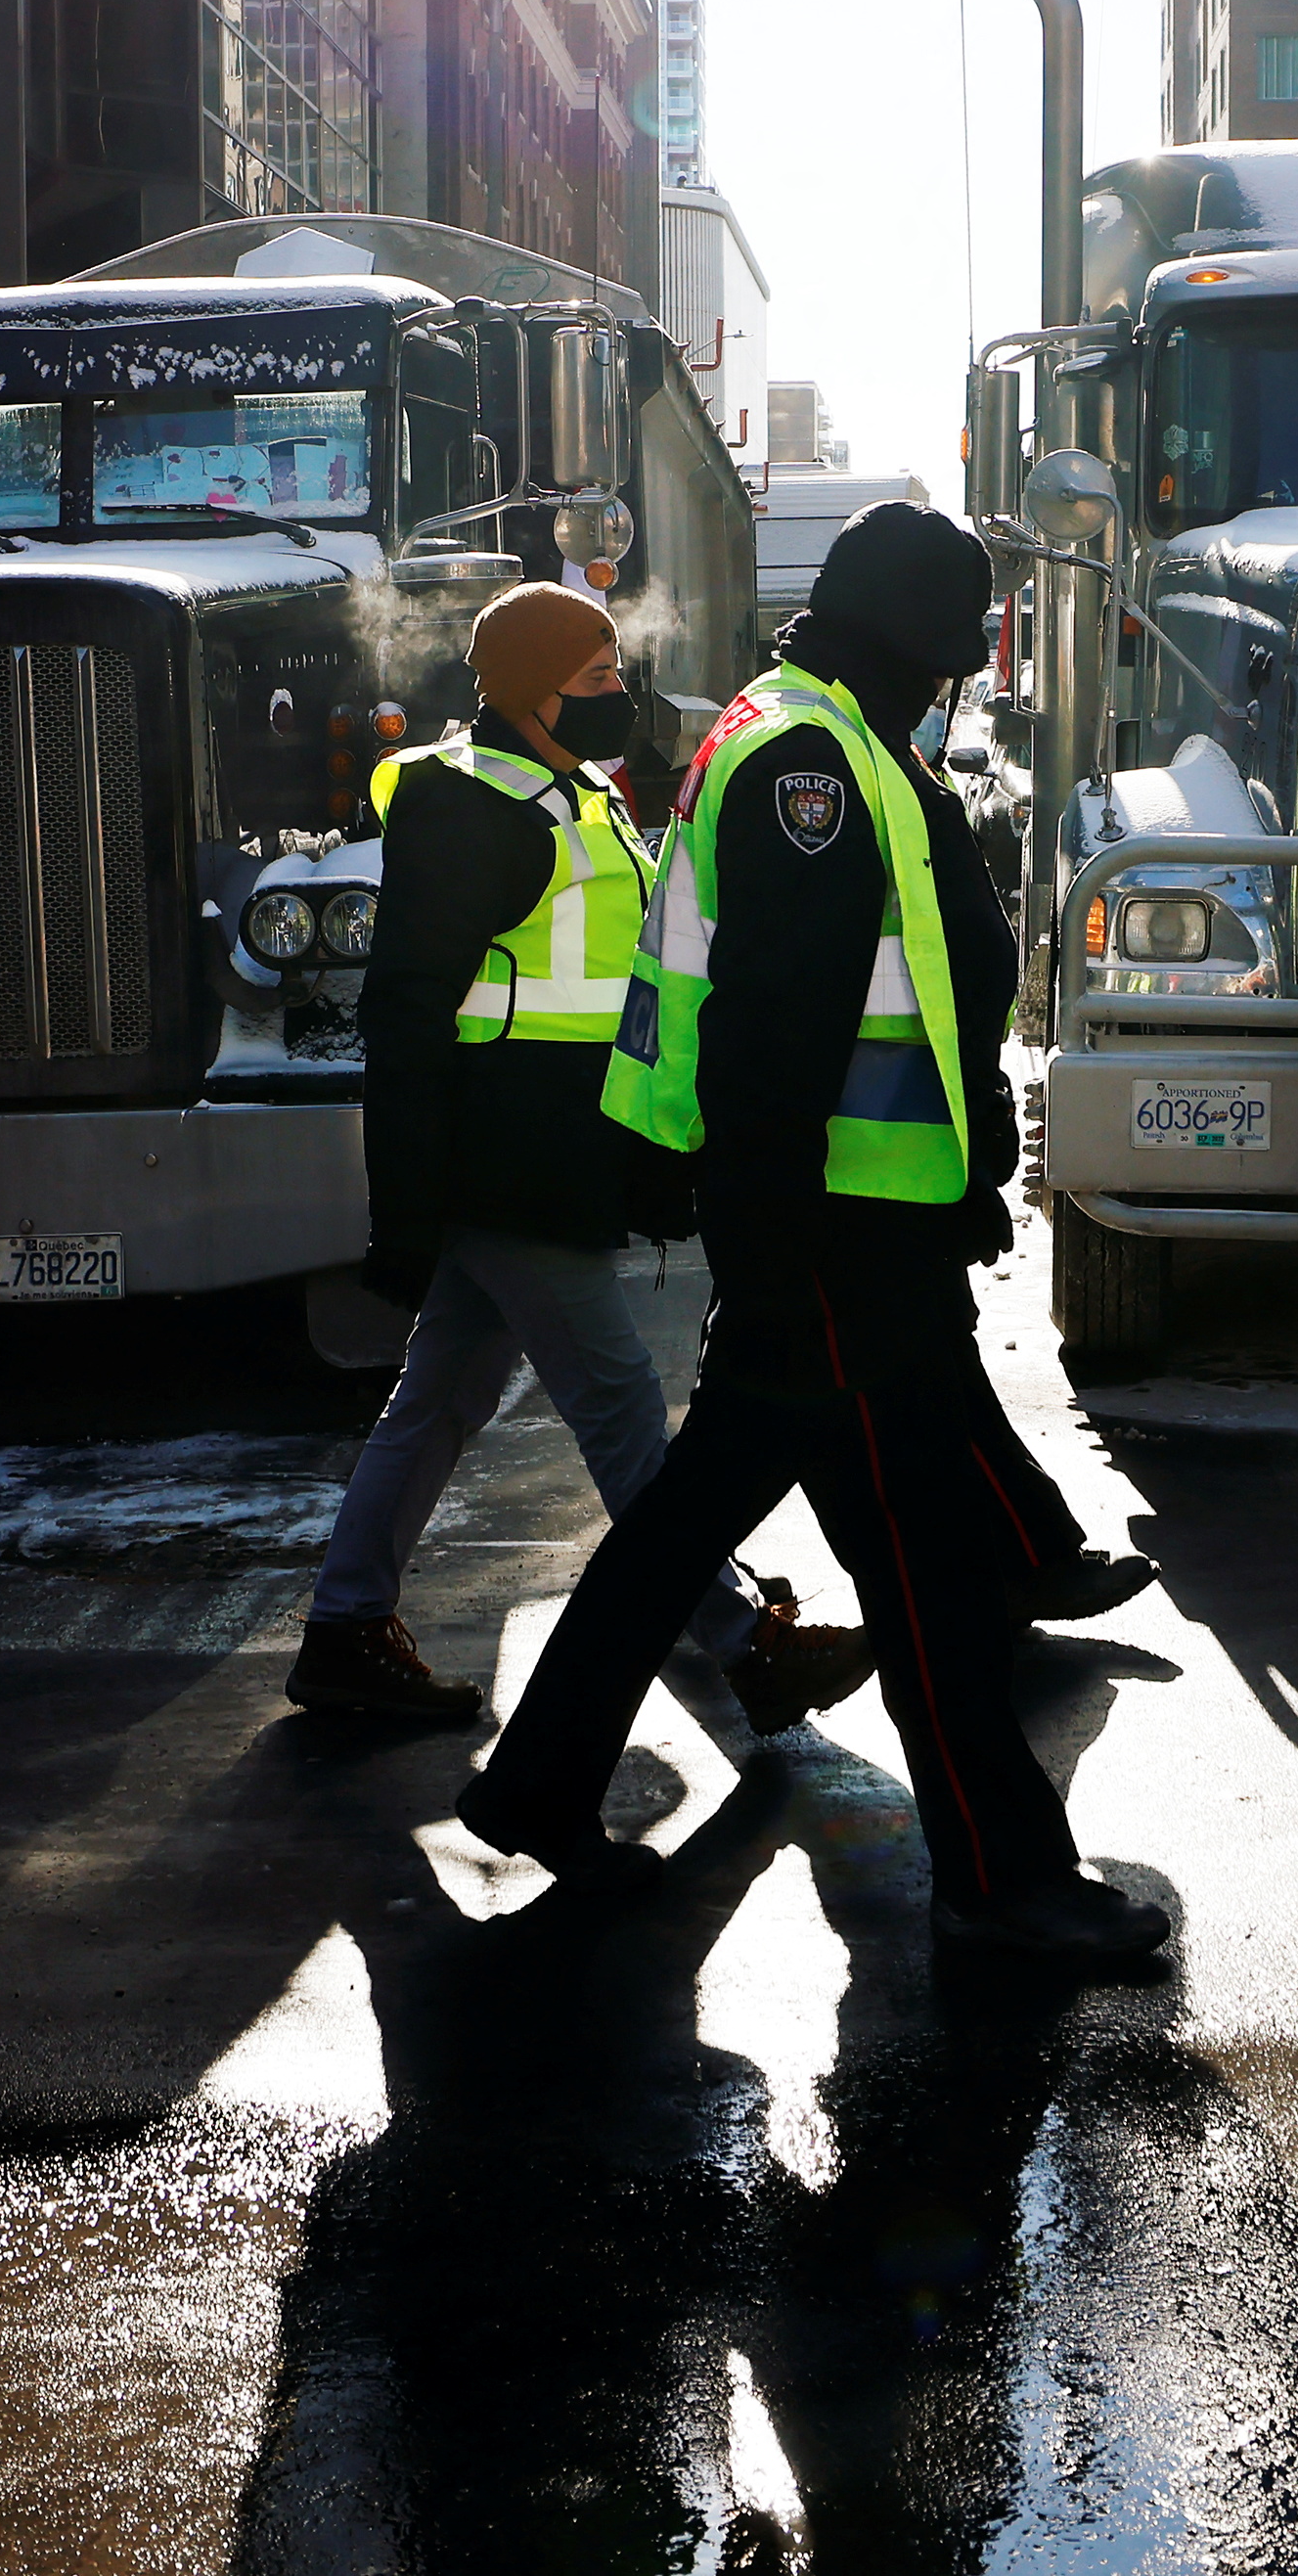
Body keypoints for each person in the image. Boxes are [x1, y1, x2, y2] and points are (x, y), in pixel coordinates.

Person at [454, 505, 1173, 1966]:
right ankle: (1002, 1869)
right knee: (924, 1569)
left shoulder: (826, 732)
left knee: (691, 1526)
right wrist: (775, 1250)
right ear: (923, 638)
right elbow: (779, 1036)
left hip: (849, 1230)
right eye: (963, 640)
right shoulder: (812, 761)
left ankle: (535, 1785)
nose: (970, 668)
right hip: (834, 1239)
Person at [288, 581, 881, 1735]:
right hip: (510, 1154)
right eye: (598, 679)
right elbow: (404, 1015)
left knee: (442, 1394)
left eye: (618, 673)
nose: (622, 697)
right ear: (529, 690)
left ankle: (346, 1626)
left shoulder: (575, 793)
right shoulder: (473, 808)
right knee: (617, 1407)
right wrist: (400, 1210)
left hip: (550, 1146)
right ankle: (741, 1637)